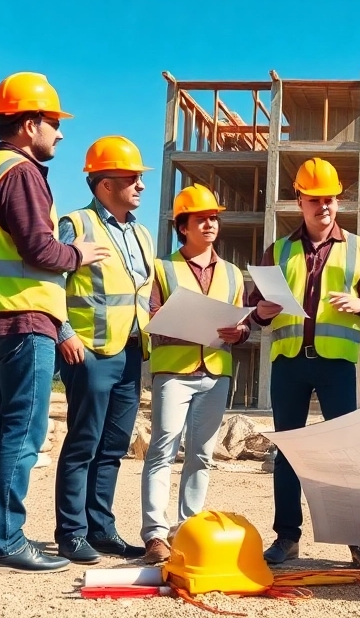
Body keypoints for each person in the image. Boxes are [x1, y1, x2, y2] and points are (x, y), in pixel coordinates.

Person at [0, 73, 109, 574]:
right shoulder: (22, 174)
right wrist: (78, 253)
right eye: (53, 123)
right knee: (22, 433)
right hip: (22, 318)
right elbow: (39, 249)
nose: (60, 133)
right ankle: (6, 541)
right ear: (28, 124)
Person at [245, 157, 360, 570]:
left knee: (344, 453)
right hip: (289, 362)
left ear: (337, 202)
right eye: (314, 200)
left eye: (329, 199)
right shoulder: (279, 250)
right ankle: (287, 538)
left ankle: (358, 542)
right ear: (300, 201)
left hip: (337, 365)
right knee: (288, 453)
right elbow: (253, 309)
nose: (323, 207)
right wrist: (262, 313)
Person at [52, 136, 157, 563]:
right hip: (91, 351)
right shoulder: (76, 225)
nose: (141, 186)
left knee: (113, 446)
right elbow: (50, 283)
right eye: (132, 178)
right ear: (105, 183)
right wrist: (64, 333)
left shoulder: (143, 234)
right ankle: (71, 533)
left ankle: (101, 529)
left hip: (132, 350)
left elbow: (142, 293)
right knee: (83, 443)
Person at [140, 183, 250, 564]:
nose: (210, 224)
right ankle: (155, 535)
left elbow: (241, 321)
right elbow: (148, 315)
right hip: (173, 369)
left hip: (216, 371)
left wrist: (242, 331)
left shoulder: (234, 274)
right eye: (201, 218)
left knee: (201, 454)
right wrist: (178, 323)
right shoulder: (162, 268)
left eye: (214, 218)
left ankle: (187, 528)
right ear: (182, 225)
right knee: (162, 449)